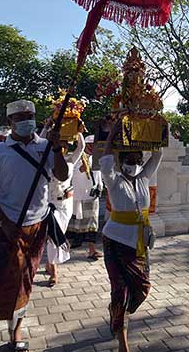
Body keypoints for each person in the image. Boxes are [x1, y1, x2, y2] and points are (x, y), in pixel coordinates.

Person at [0, 100, 69, 352]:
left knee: (25, 280)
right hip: (7, 226)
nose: (26, 120)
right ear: (10, 122)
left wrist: (58, 149)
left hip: (37, 225)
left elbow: (61, 175)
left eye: (30, 116)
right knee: (0, 278)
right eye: (20, 117)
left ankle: (15, 333)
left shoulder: (46, 146)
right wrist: (4, 222)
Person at [100, 117, 163, 352]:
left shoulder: (143, 179)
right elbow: (105, 159)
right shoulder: (114, 181)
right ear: (122, 160)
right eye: (129, 159)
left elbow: (157, 155)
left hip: (139, 245)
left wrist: (156, 129)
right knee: (120, 291)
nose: (134, 162)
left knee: (143, 288)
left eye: (137, 159)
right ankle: (122, 342)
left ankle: (119, 313)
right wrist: (113, 133)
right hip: (115, 242)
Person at [43, 131, 84, 286]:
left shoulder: (70, 161)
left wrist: (78, 130)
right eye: (59, 146)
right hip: (50, 204)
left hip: (65, 204)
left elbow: (81, 147)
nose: (62, 148)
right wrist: (47, 128)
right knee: (54, 237)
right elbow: (40, 141)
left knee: (58, 233)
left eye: (64, 146)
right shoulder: (46, 161)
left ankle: (49, 263)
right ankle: (54, 272)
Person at [68, 134, 103, 260]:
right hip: (80, 195)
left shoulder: (97, 158)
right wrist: (81, 170)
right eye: (93, 145)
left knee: (92, 223)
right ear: (88, 145)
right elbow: (71, 173)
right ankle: (65, 250)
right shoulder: (78, 157)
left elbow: (99, 175)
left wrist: (100, 186)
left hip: (93, 195)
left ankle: (92, 250)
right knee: (75, 224)